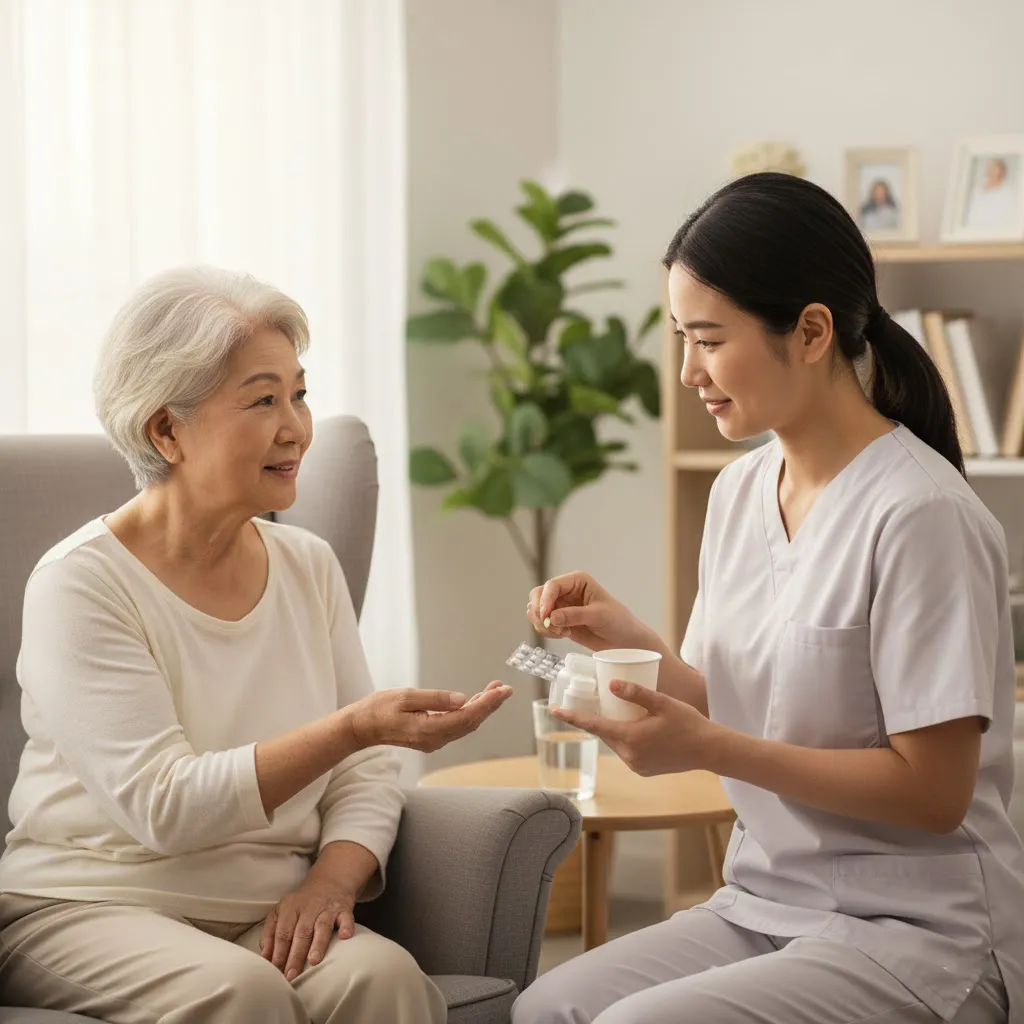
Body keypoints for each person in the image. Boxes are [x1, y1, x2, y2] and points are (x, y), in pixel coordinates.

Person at [514, 172, 1023, 1024]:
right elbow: (747, 706)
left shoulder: (922, 514)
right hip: (767, 902)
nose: (688, 371)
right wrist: (630, 641)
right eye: (680, 337)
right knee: (547, 1008)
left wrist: (710, 746)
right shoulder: (739, 492)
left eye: (709, 340)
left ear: (812, 331)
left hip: (919, 930)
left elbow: (934, 795)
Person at [0, 266, 513, 1023]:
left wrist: (331, 882)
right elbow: (163, 806)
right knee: (242, 993)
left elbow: (366, 772)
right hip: (88, 905)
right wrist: (354, 726)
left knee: (385, 978)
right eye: (263, 400)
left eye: (299, 394)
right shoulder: (80, 584)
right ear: (166, 431)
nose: (295, 427)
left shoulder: (308, 565)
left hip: (261, 906)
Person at [965, 157, 1017, 232]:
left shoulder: (1006, 194)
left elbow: (1006, 218)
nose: (991, 171)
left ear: (1002, 174)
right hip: (971, 229)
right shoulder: (976, 189)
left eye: (995, 169)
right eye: (990, 168)